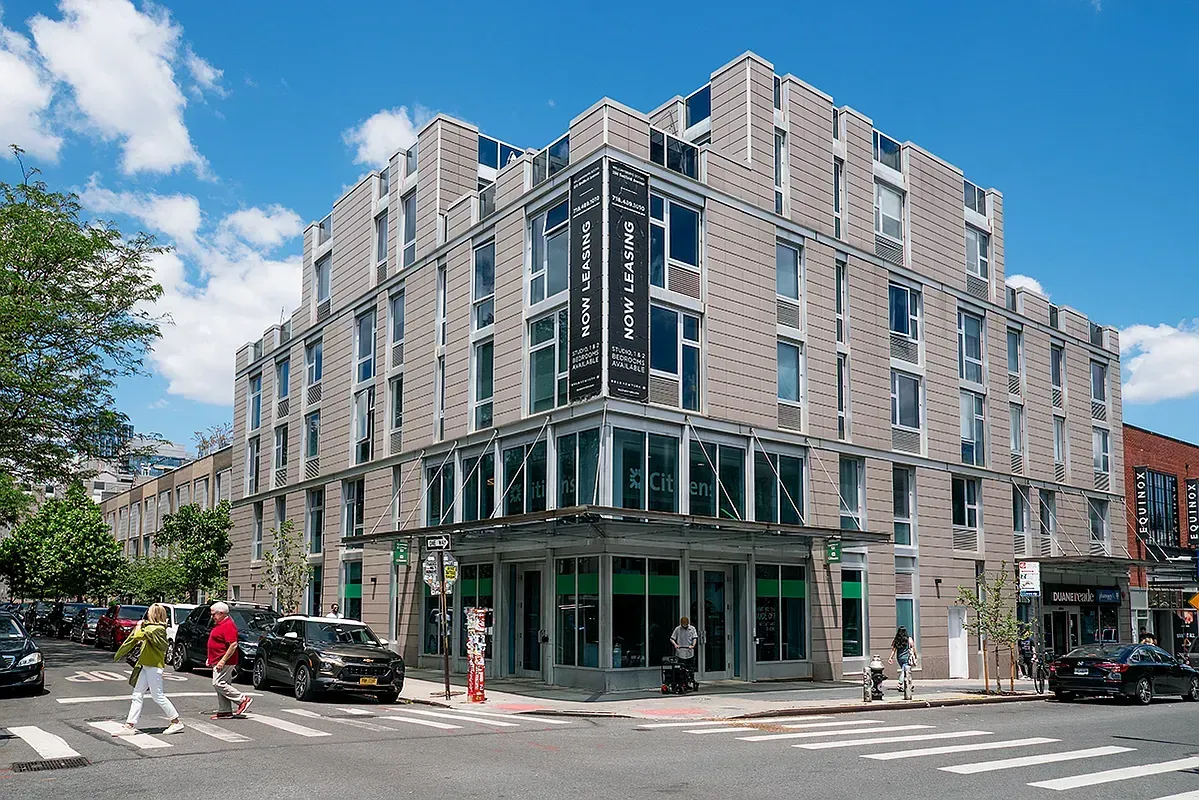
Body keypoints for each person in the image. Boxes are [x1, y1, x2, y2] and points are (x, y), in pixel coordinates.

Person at [114, 604, 184, 735]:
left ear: (154, 615)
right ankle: (129, 725)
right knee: (137, 694)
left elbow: (138, 636)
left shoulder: (155, 629)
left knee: (158, 696)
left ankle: (176, 722)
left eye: (150, 613)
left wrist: (139, 625)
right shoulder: (154, 628)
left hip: (153, 666)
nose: (147, 615)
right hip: (147, 665)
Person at [208, 602, 252, 719]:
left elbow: (233, 645)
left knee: (218, 683)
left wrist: (222, 660)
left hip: (225, 661)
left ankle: (242, 699)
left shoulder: (228, 625)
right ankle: (224, 710)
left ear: (221, 613)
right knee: (224, 684)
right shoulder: (220, 624)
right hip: (217, 659)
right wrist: (210, 658)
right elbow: (217, 642)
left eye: (213, 614)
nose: (212, 617)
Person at [669, 616, 699, 684]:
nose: (684, 626)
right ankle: (681, 682)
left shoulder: (692, 629)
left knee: (690, 668)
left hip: (689, 651)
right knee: (681, 668)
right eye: (683, 625)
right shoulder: (677, 629)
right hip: (680, 651)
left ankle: (690, 680)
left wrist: (693, 645)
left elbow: (694, 638)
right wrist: (675, 645)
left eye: (685, 625)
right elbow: (672, 638)